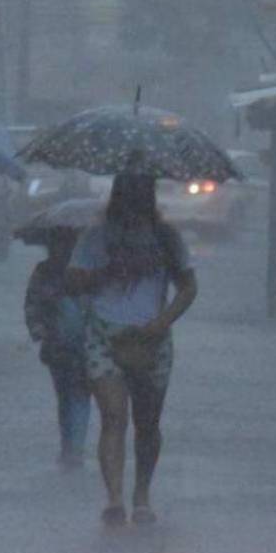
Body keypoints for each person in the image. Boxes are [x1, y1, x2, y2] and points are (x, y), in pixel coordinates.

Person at [66, 174, 198, 526]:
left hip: (152, 338)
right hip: (104, 335)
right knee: (112, 415)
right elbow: (74, 279)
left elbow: (187, 286)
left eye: (141, 197)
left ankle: (141, 494)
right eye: (128, 197)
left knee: (147, 421)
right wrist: (106, 271)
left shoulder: (166, 238)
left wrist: (163, 321)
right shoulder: (96, 237)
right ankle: (113, 498)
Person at [24, 229, 91, 468]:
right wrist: (40, 332)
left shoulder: (88, 270)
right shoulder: (44, 272)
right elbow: (32, 305)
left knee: (79, 395)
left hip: (86, 346)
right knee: (66, 397)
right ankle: (69, 446)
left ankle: (75, 449)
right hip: (58, 347)